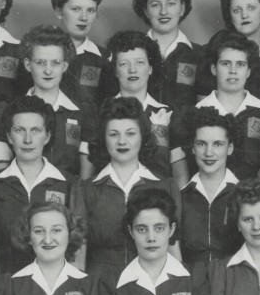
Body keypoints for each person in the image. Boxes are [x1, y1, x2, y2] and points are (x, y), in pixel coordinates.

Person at [74, 97, 182, 283]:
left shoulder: (165, 186)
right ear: (103, 138)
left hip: (152, 283)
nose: (122, 141)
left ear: (142, 136)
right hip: (101, 285)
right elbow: (78, 253)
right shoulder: (86, 189)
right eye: (113, 134)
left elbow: (173, 249)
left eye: (130, 133)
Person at [0, 96, 77, 273]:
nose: (28, 139)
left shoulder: (68, 183)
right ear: (9, 137)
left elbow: (75, 245)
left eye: (35, 131)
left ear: (47, 136)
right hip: (7, 281)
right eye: (20, 130)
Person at [84, 30, 185, 183]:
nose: (132, 70)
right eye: (124, 64)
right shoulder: (99, 112)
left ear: (150, 68)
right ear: (115, 71)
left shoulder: (168, 112)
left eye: (140, 62)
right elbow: (88, 174)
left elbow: (180, 175)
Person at [0, 25, 89, 177]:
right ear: (28, 64)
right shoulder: (7, 110)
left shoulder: (81, 112)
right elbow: (0, 167)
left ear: (65, 65)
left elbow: (85, 176)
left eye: (55, 63)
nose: (48, 70)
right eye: (40, 62)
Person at [181, 30, 260, 181]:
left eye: (240, 64)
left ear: (248, 71)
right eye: (225, 64)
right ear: (214, 68)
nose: (233, 71)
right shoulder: (200, 111)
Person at [132, 0, 203, 113]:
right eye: (155, 4)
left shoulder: (200, 55)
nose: (163, 11)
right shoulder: (129, 54)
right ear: (145, 10)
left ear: (182, 8)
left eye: (171, 3)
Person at [178, 108, 242, 268]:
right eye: (201, 144)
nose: (209, 152)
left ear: (230, 148)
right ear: (192, 147)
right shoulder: (180, 197)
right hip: (191, 283)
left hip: (233, 282)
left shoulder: (244, 194)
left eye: (218, 144)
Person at [53, 0, 111, 109]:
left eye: (90, 10)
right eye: (76, 9)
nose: (84, 17)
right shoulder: (38, 54)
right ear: (59, 12)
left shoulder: (106, 58)